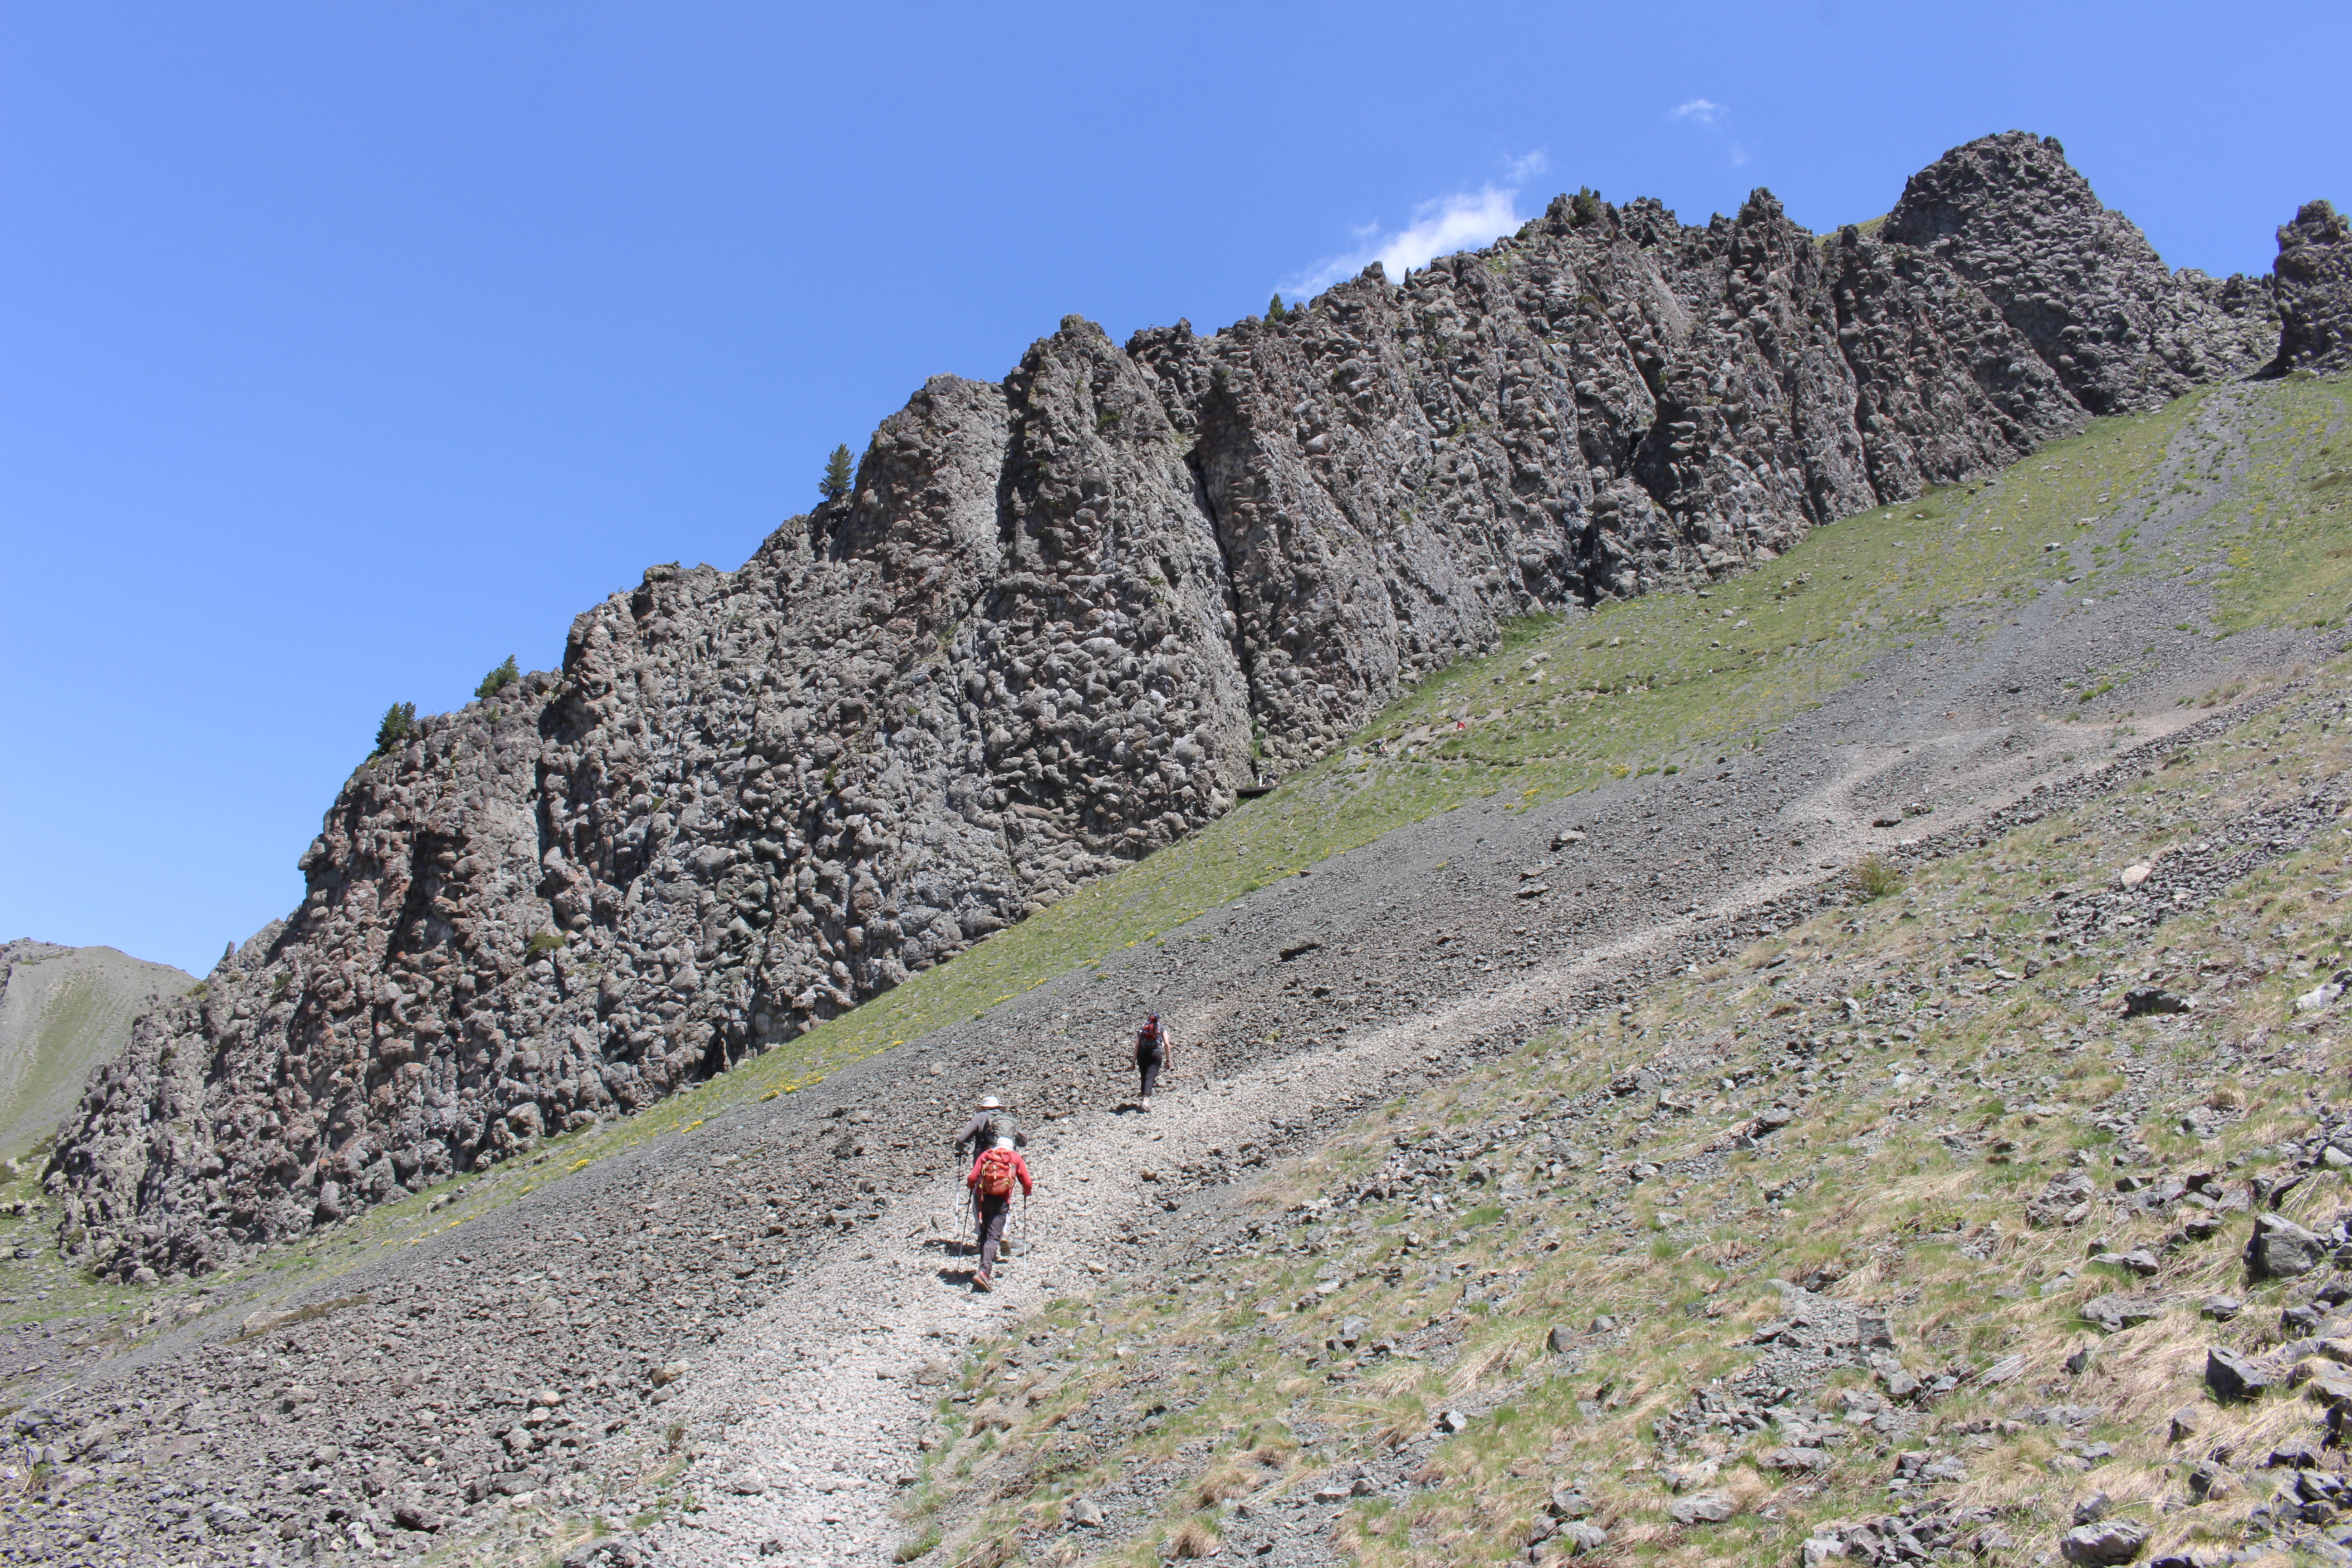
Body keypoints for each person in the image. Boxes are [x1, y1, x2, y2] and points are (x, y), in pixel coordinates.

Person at [965, 1136, 1032, 1292]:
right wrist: (1027, 1193)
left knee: (985, 1231)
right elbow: (1027, 1183)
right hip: (1002, 1201)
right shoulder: (1015, 1157)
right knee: (994, 1236)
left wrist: (971, 1186)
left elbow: (973, 1177)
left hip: (985, 1198)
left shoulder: (986, 1155)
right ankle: (984, 1272)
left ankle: (983, 1268)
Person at [951, 1095, 1025, 1160]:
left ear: (984, 1108)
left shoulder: (981, 1117)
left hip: (986, 1160)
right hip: (1008, 1160)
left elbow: (961, 1140)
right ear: (998, 1107)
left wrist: (959, 1148)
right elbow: (1024, 1141)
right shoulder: (1009, 1120)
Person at [1133, 1012, 1170, 1111]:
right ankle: (1146, 1101)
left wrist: (1133, 1062)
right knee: (1150, 1077)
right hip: (1156, 1054)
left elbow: (1137, 1045)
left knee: (1144, 1076)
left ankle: (1144, 1101)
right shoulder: (1162, 1028)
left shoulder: (1143, 1027)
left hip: (1142, 1054)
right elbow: (1167, 1044)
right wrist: (1168, 1060)